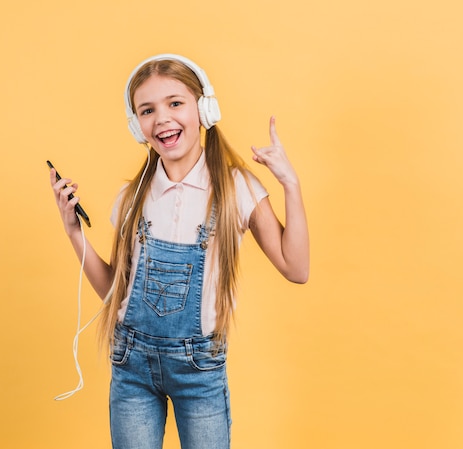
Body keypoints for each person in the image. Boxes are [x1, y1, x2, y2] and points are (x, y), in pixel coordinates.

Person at [50, 54, 309, 449]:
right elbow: (115, 294)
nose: (162, 119)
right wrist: (73, 231)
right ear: (137, 126)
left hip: (199, 369)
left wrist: (291, 184)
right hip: (131, 365)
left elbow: (297, 268)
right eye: (148, 110)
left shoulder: (237, 188)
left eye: (175, 103)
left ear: (204, 109)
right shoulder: (133, 196)